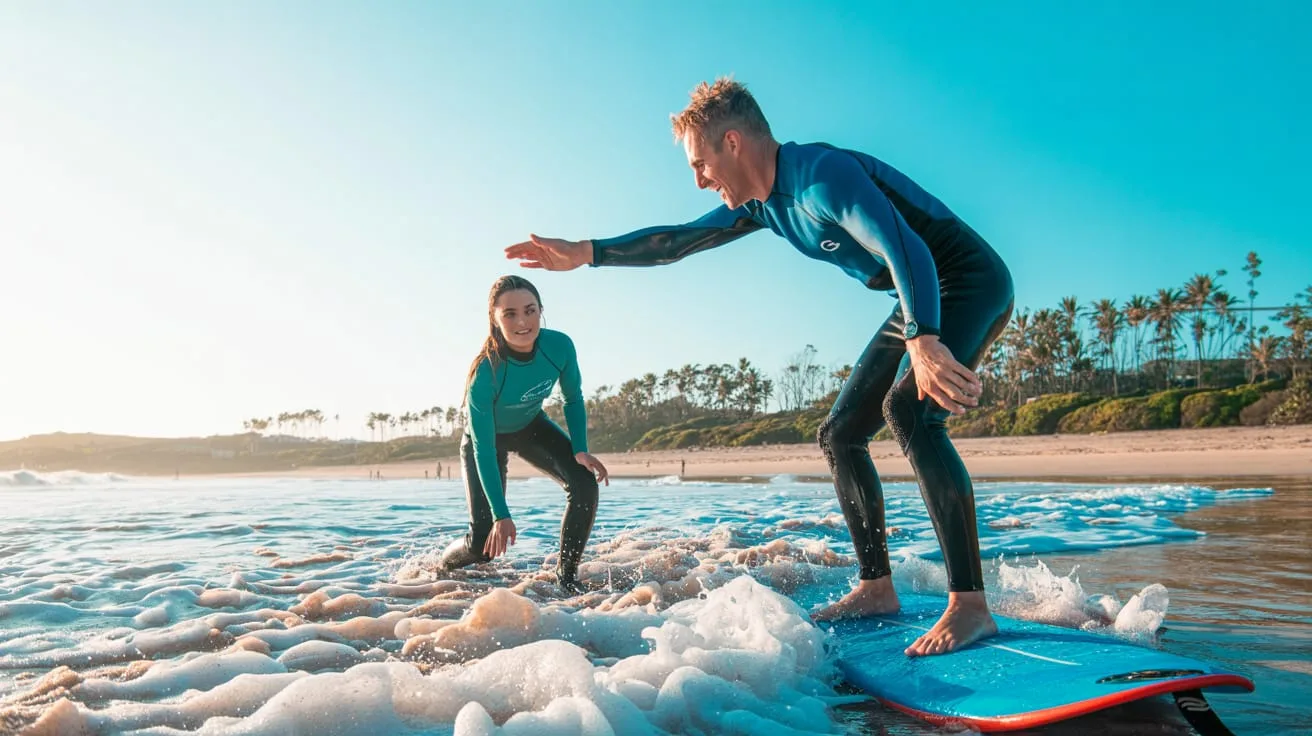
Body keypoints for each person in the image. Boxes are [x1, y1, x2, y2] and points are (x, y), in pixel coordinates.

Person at [504, 77, 1014, 656]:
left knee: (910, 413)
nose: (699, 179)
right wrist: (588, 252)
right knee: (841, 434)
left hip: (965, 281)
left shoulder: (821, 177)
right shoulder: (763, 205)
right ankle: (877, 588)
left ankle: (970, 606)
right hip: (916, 296)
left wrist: (924, 337)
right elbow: (678, 241)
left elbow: (910, 249)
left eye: (701, 164)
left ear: (733, 143)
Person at [436, 275, 609, 594]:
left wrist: (580, 450)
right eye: (510, 314)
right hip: (484, 442)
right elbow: (484, 450)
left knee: (584, 483)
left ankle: (567, 579)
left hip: (531, 426)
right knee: (483, 544)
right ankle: (442, 567)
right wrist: (502, 515)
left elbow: (573, 398)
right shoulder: (486, 372)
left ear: (541, 310)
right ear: (494, 318)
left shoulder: (559, 346)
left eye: (530, 310)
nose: (522, 322)